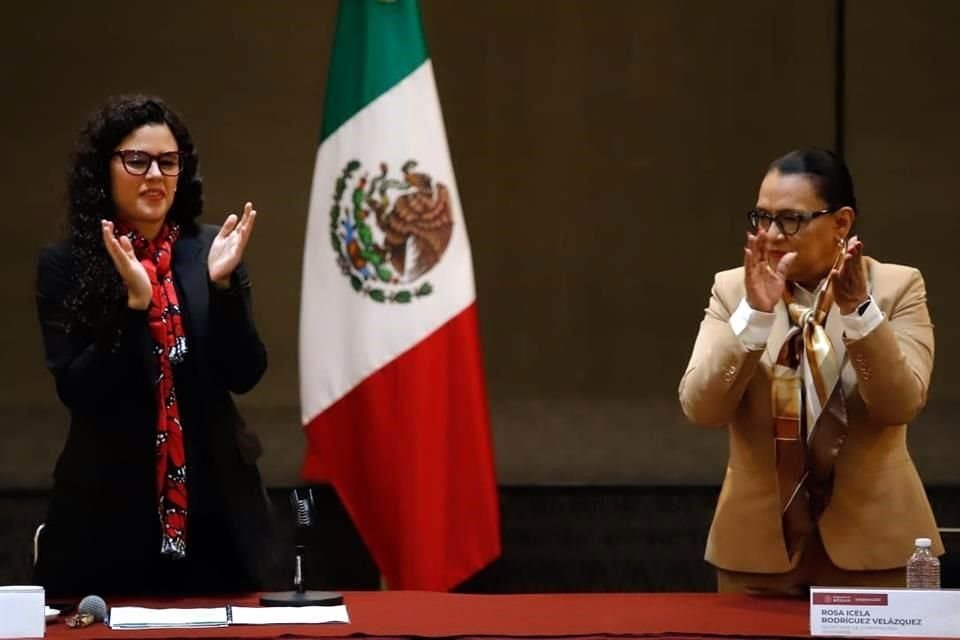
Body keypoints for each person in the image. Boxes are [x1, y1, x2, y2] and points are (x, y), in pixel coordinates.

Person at [33, 95, 274, 596]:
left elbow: (245, 372)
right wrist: (134, 308)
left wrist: (225, 289)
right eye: (137, 160)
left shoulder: (211, 250)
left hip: (216, 516)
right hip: (109, 516)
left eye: (169, 162)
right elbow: (80, 390)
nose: (155, 176)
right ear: (104, 168)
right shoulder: (67, 264)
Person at [679, 148, 942, 595]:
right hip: (758, 552)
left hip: (875, 545)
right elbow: (702, 408)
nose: (772, 234)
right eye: (761, 217)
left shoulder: (897, 287)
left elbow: (900, 404)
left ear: (841, 223)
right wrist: (754, 318)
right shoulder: (732, 290)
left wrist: (860, 314)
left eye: (791, 219)